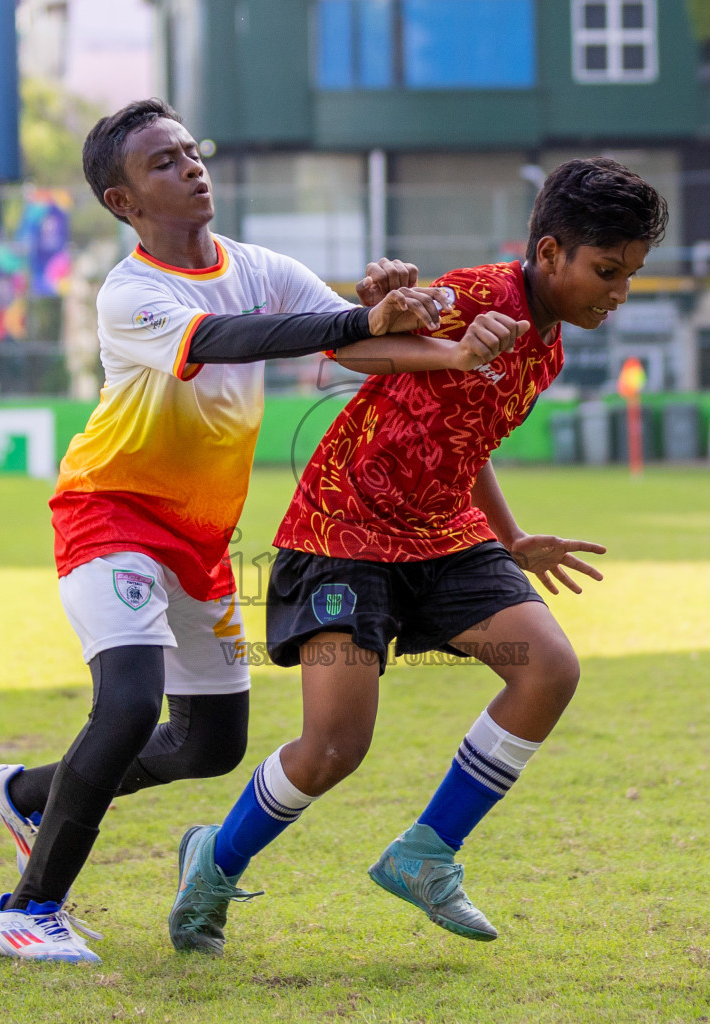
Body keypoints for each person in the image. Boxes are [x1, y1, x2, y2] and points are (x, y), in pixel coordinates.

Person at [0, 98, 513, 964]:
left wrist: (441, 344)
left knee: (211, 743)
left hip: (200, 538)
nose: (191, 167)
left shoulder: (257, 263)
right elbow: (237, 338)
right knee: (126, 706)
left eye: (192, 151)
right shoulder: (131, 293)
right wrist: (358, 319)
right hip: (111, 512)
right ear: (123, 203)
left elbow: (350, 344)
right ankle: (26, 909)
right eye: (163, 162)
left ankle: (28, 795)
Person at [167, 158, 669, 955]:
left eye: (630, 275)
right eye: (606, 271)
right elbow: (352, 353)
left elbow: (468, 444)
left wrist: (510, 539)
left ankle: (425, 855)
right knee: (334, 749)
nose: (617, 292)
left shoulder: (549, 349)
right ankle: (214, 864)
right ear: (547, 254)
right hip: (344, 531)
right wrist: (454, 352)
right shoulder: (473, 294)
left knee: (549, 668)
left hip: (442, 533)